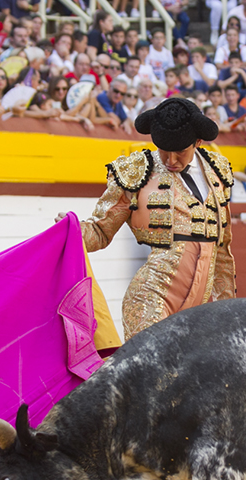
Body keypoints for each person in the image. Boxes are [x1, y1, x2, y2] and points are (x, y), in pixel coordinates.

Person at [59, 98, 236, 339]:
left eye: (180, 152)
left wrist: (227, 309)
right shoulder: (136, 170)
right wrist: (70, 231)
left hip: (200, 311)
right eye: (163, 150)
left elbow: (222, 250)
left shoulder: (218, 171)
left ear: (197, 142)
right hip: (149, 300)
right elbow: (100, 232)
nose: (170, 161)